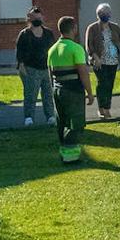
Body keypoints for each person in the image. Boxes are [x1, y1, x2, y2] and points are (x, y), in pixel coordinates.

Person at [47, 16, 94, 163]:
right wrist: (90, 93)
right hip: (73, 91)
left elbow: (50, 73)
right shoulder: (76, 48)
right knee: (76, 124)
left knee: (62, 123)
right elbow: (83, 72)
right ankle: (71, 156)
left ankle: (64, 154)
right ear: (73, 28)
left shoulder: (52, 50)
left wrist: (54, 90)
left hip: (57, 89)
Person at [16, 6, 57, 127]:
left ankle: (50, 117)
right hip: (30, 69)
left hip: (46, 69)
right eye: (34, 17)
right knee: (30, 95)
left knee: (48, 95)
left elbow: (53, 50)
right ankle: (29, 118)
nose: (37, 19)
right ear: (29, 19)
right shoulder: (24, 34)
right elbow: (19, 54)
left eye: (39, 17)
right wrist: (22, 68)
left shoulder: (48, 33)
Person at [85, 2, 120, 118]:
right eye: (102, 12)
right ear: (98, 14)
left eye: (107, 12)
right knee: (103, 83)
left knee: (109, 84)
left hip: (113, 61)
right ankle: (102, 109)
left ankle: (106, 107)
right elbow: (88, 45)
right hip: (99, 61)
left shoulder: (114, 27)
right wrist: (95, 57)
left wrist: (115, 50)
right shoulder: (92, 28)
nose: (105, 14)